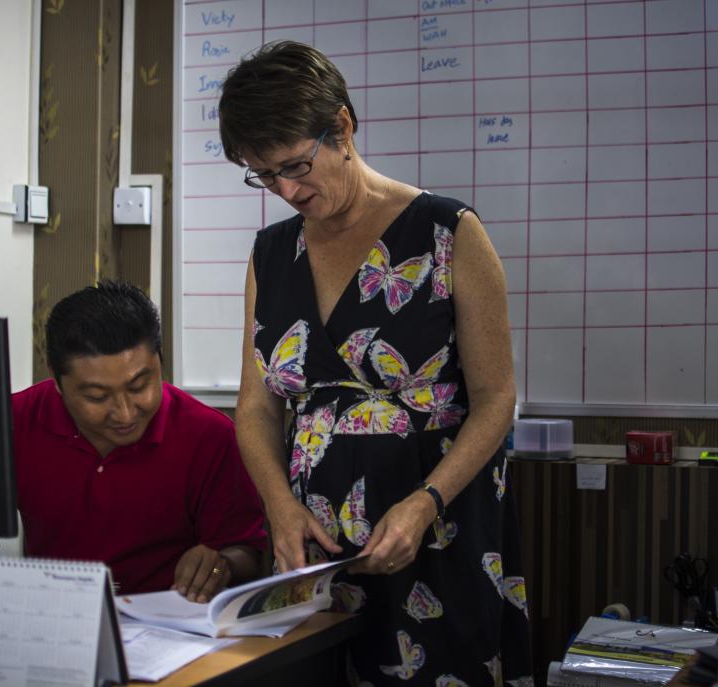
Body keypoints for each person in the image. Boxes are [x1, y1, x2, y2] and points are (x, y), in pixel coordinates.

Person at [220, 41, 533, 685]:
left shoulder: (448, 234)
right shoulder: (271, 255)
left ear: (342, 127)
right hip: (319, 562)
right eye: (264, 175)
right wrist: (280, 507)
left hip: (436, 543)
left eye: (296, 165)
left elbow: (497, 399)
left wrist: (424, 504)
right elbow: (256, 408)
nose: (286, 189)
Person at [0, 281, 267, 601]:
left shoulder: (210, 436)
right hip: (55, 620)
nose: (124, 414)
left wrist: (221, 564)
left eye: (139, 386)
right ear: (57, 381)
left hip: (173, 628)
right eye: (97, 396)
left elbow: (247, 555)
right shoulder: (10, 423)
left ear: (159, 361)